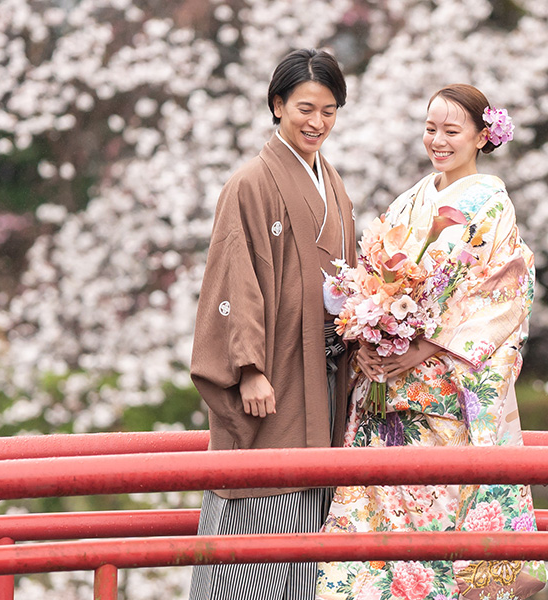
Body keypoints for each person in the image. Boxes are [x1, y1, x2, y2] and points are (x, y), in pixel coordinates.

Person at [314, 84, 547, 600]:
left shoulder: (491, 205)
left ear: (483, 137)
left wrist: (421, 347)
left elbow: (501, 294)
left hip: (441, 401)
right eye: (430, 128)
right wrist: (367, 332)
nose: (437, 141)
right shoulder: (412, 198)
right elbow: (375, 272)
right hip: (384, 398)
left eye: (452, 131)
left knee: (432, 540)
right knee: (371, 540)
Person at [190, 48, 357, 600]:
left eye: (330, 111)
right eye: (306, 108)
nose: (317, 122)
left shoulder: (333, 186)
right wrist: (248, 367)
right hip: (274, 377)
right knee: (257, 509)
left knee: (312, 516)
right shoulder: (251, 184)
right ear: (278, 104)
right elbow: (235, 278)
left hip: (322, 373)